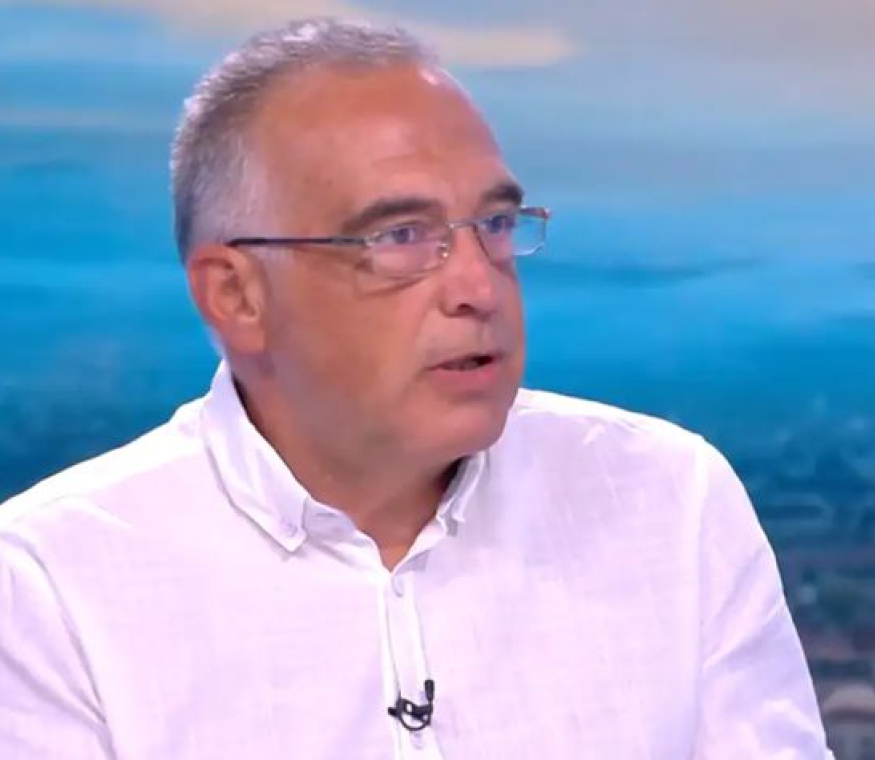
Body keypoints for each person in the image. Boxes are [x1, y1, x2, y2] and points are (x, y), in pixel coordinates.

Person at [0, 16, 832, 760]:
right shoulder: (48, 586)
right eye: (401, 236)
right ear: (237, 295)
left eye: (495, 225)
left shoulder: (670, 500)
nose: (478, 285)